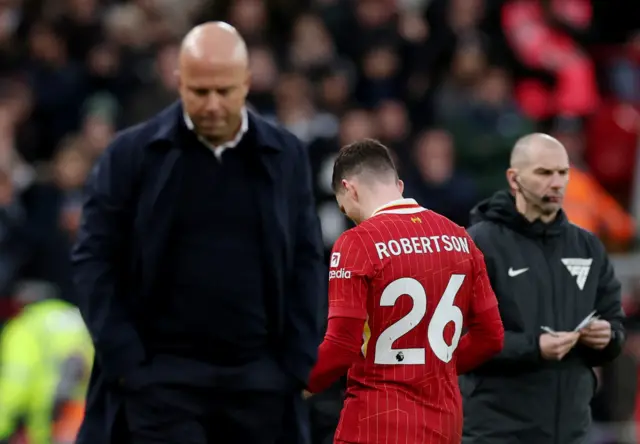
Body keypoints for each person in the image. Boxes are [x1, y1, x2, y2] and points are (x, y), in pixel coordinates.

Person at [71, 22, 326, 444]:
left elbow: (306, 257)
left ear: (246, 83)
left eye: (224, 91)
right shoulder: (131, 154)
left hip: (259, 384)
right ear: (179, 82)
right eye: (199, 91)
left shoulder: (286, 155)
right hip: (161, 383)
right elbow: (93, 258)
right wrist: (127, 363)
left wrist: (297, 363)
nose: (211, 104)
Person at [304, 139, 504, 444]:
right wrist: (432, 365)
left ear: (350, 189)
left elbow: (341, 347)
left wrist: (296, 386)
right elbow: (491, 337)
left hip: (377, 422)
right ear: (397, 185)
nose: (349, 216)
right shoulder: (461, 239)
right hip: (444, 424)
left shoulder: (357, 242)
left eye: (345, 207)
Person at [462, 133, 626, 443]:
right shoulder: (478, 245)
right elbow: (460, 340)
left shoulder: (587, 246)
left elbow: (614, 322)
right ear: (514, 178)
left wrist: (608, 335)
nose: (557, 183)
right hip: (497, 433)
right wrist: (534, 347)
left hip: (572, 432)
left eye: (563, 172)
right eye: (544, 173)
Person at [0, 283, 93, 444]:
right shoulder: (78, 318)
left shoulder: (25, 325)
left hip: (49, 418)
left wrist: (3, 425)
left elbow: (17, 383)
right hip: (85, 413)